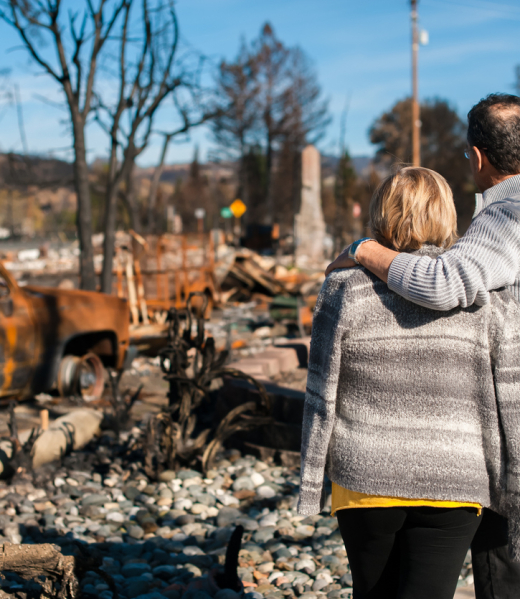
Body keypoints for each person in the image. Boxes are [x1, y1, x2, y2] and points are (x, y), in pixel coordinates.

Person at [325, 93, 520, 599]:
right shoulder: (489, 300)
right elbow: (500, 384)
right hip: (457, 475)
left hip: (366, 474)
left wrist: (361, 250)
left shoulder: (504, 222)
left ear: (477, 158)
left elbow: (322, 387)